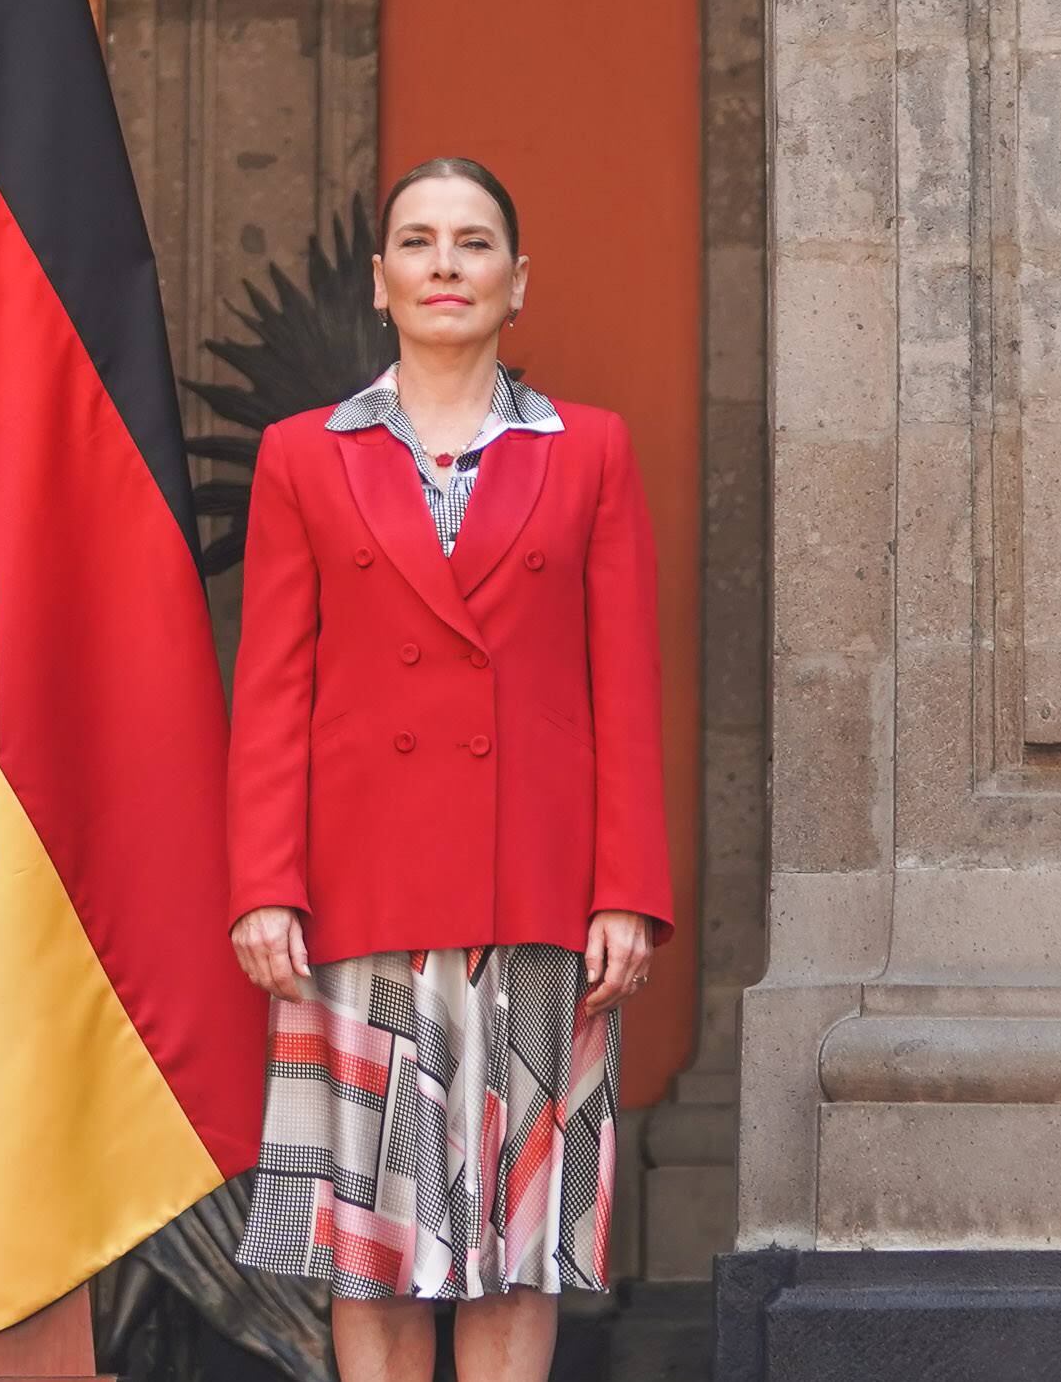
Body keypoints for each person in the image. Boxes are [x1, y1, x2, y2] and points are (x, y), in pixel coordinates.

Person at [224, 156, 672, 1382]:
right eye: (417, 243)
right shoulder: (303, 456)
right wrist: (263, 880)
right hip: (357, 893)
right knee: (370, 1246)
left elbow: (621, 686)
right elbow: (271, 685)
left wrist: (624, 886)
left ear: (515, 281)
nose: (444, 265)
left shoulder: (588, 450)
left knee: (512, 1244)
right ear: (380, 282)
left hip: (531, 893)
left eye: (472, 244)